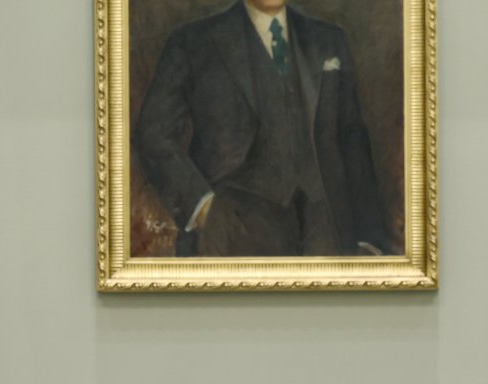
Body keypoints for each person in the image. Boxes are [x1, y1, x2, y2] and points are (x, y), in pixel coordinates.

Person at [134, 0, 395, 257]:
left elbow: (352, 141)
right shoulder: (192, 42)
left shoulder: (329, 39)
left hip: (325, 231)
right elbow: (153, 133)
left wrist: (369, 239)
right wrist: (202, 207)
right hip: (231, 232)